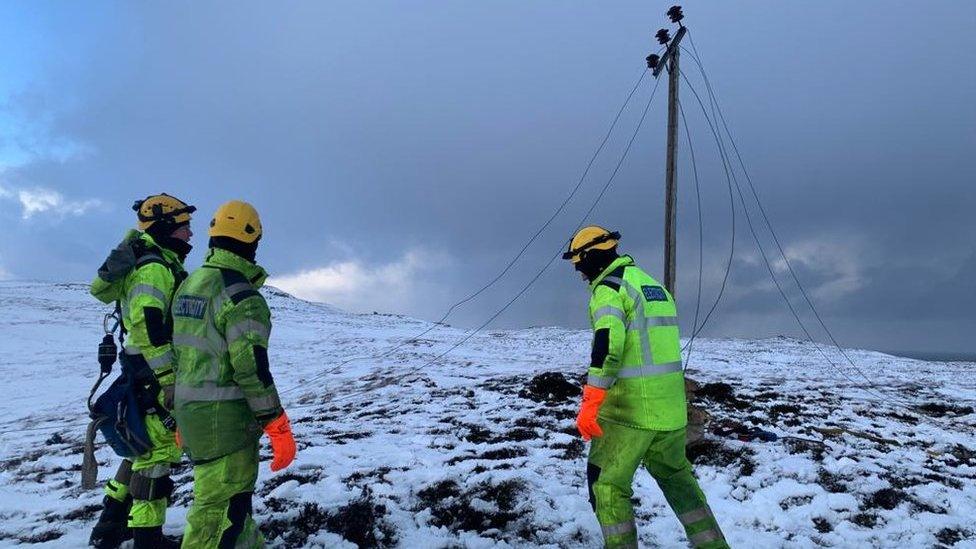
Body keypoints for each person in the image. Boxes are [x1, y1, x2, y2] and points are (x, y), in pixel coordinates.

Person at [564, 226, 729, 549]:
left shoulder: (609, 290)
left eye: (578, 265)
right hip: (670, 413)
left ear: (591, 257)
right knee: (678, 480)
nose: (578, 274)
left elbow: (608, 346)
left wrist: (591, 401)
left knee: (608, 487)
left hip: (630, 415)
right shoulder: (652, 286)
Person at [171, 200, 296, 548]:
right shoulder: (242, 296)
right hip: (226, 426)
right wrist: (276, 422)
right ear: (253, 239)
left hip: (191, 417)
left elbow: (181, 355)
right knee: (217, 519)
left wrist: (179, 415)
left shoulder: (190, 284)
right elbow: (251, 369)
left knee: (236, 513)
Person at [89, 193, 196, 548]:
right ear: (166, 228)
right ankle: (147, 539)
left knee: (142, 449)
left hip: (139, 368)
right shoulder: (154, 268)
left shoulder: (152, 262)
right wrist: (169, 382)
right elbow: (150, 330)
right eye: (184, 228)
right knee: (158, 454)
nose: (190, 236)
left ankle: (109, 525)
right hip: (152, 370)